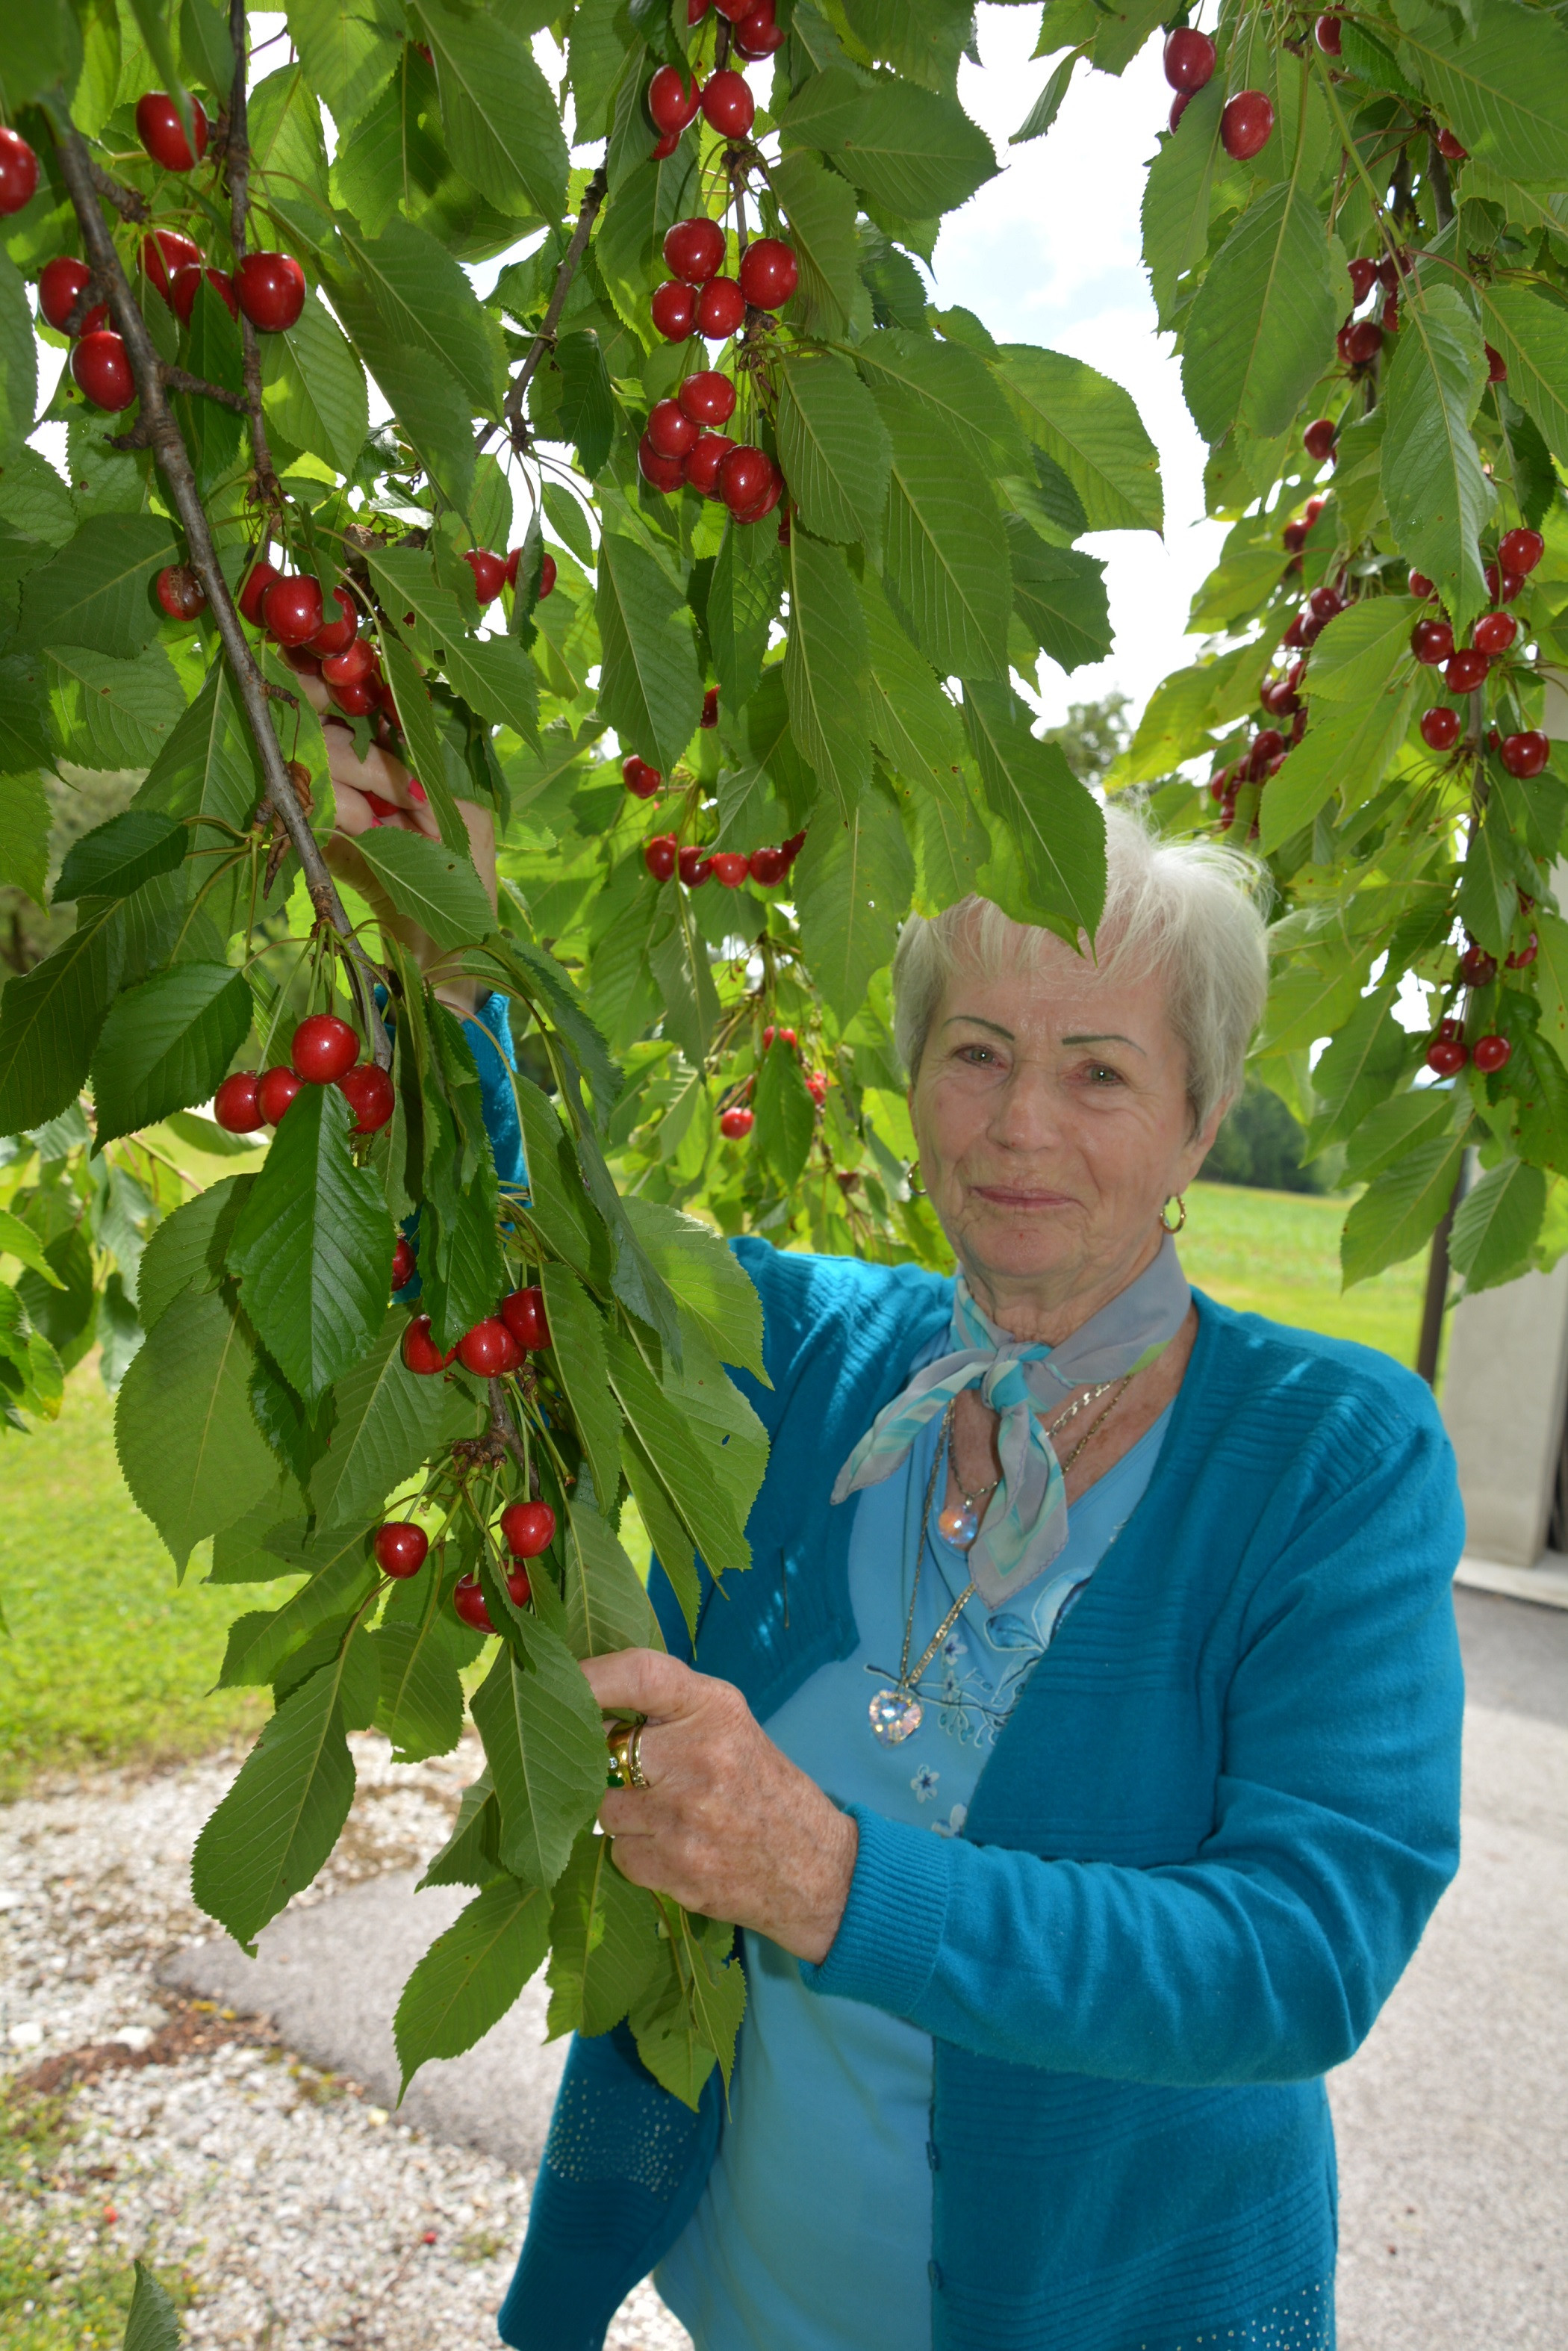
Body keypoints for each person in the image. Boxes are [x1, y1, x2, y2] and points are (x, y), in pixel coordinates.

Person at [491, 803, 1466, 2351]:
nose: (1022, 1122)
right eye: (979, 1051)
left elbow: (1302, 1952)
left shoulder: (1333, 1456)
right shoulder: (796, 1349)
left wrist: (832, 1875)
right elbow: (510, 1268)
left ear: (1201, 1121)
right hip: (750, 2307)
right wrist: (442, 959)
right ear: (915, 1075)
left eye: (1098, 1068)